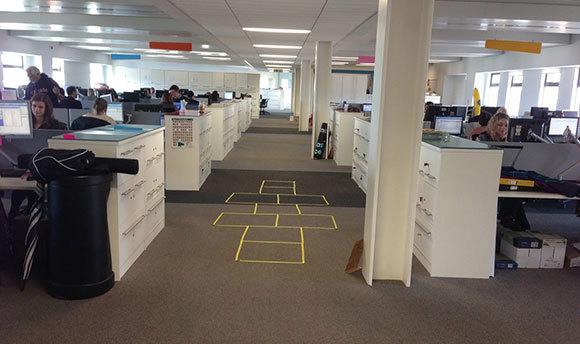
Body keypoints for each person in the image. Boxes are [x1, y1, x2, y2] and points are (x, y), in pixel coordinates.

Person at [477, 112, 530, 231]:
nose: (503, 128)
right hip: (488, 174)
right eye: (500, 125)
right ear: (493, 125)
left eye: (506, 126)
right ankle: (509, 218)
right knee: (512, 190)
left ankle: (510, 218)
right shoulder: (484, 137)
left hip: (504, 175)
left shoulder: (511, 139)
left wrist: (507, 142)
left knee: (514, 189)